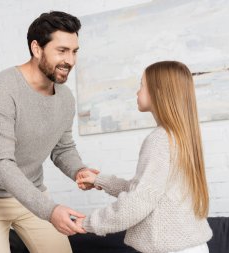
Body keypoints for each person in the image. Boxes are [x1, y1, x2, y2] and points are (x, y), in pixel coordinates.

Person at [0, 11, 98, 253]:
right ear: (36, 48)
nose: (71, 60)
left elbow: (62, 148)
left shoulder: (65, 98)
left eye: (74, 51)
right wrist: (50, 210)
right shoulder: (2, 90)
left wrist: (79, 170)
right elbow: (1, 163)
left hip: (31, 192)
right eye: (62, 50)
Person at [76, 61, 213, 253]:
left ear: (158, 91)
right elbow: (147, 191)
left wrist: (87, 223)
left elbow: (138, 201)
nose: (137, 92)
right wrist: (99, 180)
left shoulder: (160, 140)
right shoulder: (180, 137)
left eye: (141, 85)